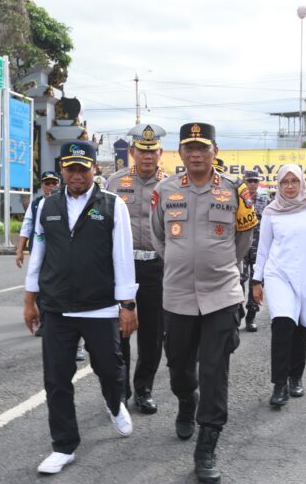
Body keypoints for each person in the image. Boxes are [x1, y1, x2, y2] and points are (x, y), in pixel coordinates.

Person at [150, 122, 256, 484]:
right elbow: (158, 236)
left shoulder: (233, 190)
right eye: (189, 148)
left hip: (221, 294)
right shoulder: (165, 191)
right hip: (177, 294)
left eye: (203, 147)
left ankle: (207, 444)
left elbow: (244, 235)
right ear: (180, 153)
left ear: (214, 151)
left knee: (215, 371)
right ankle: (184, 400)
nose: (196, 154)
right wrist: (181, 263)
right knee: (179, 365)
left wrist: (223, 265)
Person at [23, 142, 138, 475]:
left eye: (82, 168)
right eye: (70, 168)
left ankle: (115, 404)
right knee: (56, 379)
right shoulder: (45, 205)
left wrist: (127, 304)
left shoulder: (113, 206)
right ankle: (63, 445)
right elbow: (39, 254)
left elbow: (122, 257)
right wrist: (30, 300)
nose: (76, 175)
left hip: (100, 306)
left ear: (93, 170)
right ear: (62, 170)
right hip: (57, 307)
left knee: (111, 370)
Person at [252, 165, 306, 407]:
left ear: (301, 183)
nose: (289, 186)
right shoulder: (270, 211)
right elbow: (264, 249)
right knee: (282, 324)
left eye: (294, 181)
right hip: (279, 274)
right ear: (278, 185)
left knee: (301, 327)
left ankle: (295, 377)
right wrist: (257, 281)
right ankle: (279, 385)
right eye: (284, 182)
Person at [107, 123, 168, 415]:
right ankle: (120, 391)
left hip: (157, 266)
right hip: (123, 266)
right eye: (142, 151)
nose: (147, 157)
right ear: (132, 152)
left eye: (152, 151)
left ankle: (144, 390)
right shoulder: (115, 183)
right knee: (121, 330)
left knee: (152, 334)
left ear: (161, 153)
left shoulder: (170, 185)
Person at [16, 171, 61, 336]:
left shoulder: (65, 201)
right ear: (42, 186)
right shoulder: (35, 204)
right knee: (40, 287)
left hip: (59, 253)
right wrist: (20, 250)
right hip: (40, 251)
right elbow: (26, 227)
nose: (50, 186)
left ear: (59, 184)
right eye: (47, 183)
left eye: (54, 183)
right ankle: (44, 322)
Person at [241, 170, 271, 332]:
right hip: (240, 247)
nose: (252, 184)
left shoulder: (265, 200)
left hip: (259, 248)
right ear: (244, 182)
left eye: (255, 181)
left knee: (256, 280)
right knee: (238, 279)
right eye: (249, 181)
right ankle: (237, 310)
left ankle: (251, 315)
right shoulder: (237, 199)